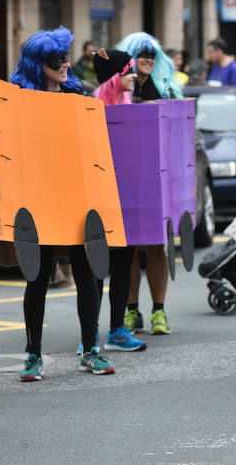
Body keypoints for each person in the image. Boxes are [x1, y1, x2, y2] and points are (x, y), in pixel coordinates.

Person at [10, 26, 116, 379]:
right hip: (38, 198)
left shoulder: (78, 95)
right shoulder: (19, 101)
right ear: (38, 64)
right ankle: (33, 355)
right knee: (36, 279)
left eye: (66, 57)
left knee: (88, 275)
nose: (66, 64)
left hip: (77, 197)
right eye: (58, 59)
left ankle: (91, 348)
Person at [114, 33, 180, 335]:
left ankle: (158, 311)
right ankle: (131, 311)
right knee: (127, 249)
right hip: (125, 177)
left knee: (155, 245)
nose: (147, 58)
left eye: (152, 54)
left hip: (157, 174)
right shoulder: (118, 88)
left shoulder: (165, 88)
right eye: (141, 53)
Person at [91, 48, 148, 354]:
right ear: (113, 76)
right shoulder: (93, 107)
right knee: (97, 268)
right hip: (100, 199)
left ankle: (116, 329)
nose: (134, 76)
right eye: (128, 71)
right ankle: (90, 335)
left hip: (127, 198)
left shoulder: (130, 105)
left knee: (124, 264)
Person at [116, 32, 182, 101]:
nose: (149, 60)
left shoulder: (163, 89)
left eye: (152, 56)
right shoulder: (119, 87)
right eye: (143, 55)